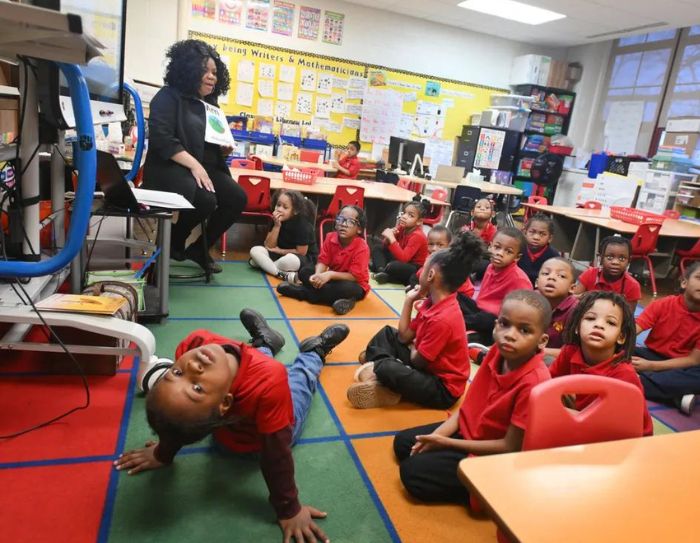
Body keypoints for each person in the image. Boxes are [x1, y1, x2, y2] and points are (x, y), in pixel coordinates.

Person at [115, 309, 350, 543]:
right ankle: (315, 351)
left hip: (253, 396)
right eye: (197, 388)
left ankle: (266, 341)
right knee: (300, 380)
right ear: (225, 402)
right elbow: (275, 453)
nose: (192, 367)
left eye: (176, 372)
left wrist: (162, 453)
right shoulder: (270, 380)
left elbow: (176, 413)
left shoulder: (195, 343)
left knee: (256, 358)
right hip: (257, 441)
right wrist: (289, 509)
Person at [393, 290, 552, 504]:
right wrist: (438, 436)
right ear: (496, 324)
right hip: (470, 432)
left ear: (542, 341)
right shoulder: (497, 352)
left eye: (524, 330)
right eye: (504, 324)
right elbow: (468, 408)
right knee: (403, 443)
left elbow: (509, 447)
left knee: (412, 474)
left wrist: (446, 443)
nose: (510, 335)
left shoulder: (534, 382)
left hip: (493, 457)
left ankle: (487, 490)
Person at [143, 39, 247, 273]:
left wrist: (222, 148)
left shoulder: (210, 103)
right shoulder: (168, 97)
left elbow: (205, 140)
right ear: (189, 70)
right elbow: (162, 139)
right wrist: (195, 166)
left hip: (203, 167)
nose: (213, 77)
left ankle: (197, 248)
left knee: (236, 198)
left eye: (214, 72)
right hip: (170, 166)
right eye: (206, 71)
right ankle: (175, 241)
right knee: (205, 199)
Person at [347, 233, 482, 409]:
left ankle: (381, 373)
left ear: (430, 275)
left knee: (388, 367)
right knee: (387, 334)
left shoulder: (444, 318)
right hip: (426, 364)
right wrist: (408, 301)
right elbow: (403, 337)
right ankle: (380, 374)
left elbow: (418, 360)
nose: (419, 271)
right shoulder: (431, 302)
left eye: (423, 268)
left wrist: (415, 345)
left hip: (442, 388)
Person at [549, 291, 653, 435]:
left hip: (621, 437)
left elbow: (619, 428)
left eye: (610, 322)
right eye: (591, 318)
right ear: (578, 327)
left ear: (621, 337)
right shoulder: (569, 352)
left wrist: (562, 411)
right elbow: (548, 386)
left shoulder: (624, 374)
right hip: (584, 422)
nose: (598, 325)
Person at [632, 262, 700, 415]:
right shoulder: (664, 304)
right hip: (650, 354)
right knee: (613, 348)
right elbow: (633, 330)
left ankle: (631, 379)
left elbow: (693, 360)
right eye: (699, 278)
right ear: (684, 282)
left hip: (683, 366)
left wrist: (650, 366)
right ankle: (675, 395)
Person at [277, 205, 370, 315]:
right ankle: (342, 300)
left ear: (359, 229)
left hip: (354, 284)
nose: (343, 224)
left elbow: (355, 276)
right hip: (332, 280)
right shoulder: (330, 237)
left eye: (350, 222)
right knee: (305, 272)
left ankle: (302, 292)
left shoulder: (362, 247)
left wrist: (329, 274)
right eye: (340, 219)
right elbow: (323, 261)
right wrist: (317, 275)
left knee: (346, 289)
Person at [460, 227, 532, 346]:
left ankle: (456, 322)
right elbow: (481, 300)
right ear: (490, 246)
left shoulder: (519, 279)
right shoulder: (490, 267)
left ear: (517, 257)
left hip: (497, 322)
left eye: (508, 251)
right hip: (479, 311)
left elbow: (521, 313)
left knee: (485, 320)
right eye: (497, 247)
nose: (500, 254)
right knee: (457, 297)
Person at [249, 190, 317, 282]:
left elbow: (301, 252)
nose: (279, 209)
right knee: (255, 250)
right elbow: (269, 246)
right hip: (279, 255)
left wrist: (280, 251)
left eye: (285, 207)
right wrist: (277, 226)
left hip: (301, 258)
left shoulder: (303, 225)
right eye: (278, 205)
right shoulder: (276, 219)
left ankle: (263, 265)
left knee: (289, 260)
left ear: (295, 211)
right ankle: (280, 274)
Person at [572, 236, 641, 312]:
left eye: (622, 259)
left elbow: (628, 317)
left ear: (629, 261)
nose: (615, 262)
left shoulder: (633, 286)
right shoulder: (589, 274)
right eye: (609, 257)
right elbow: (573, 302)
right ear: (600, 258)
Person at [408, 225, 477, 301]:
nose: (434, 249)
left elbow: (460, 290)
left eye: (440, 245)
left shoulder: (452, 263)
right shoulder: (431, 258)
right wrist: (419, 285)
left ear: (449, 246)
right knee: (414, 278)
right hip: (437, 288)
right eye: (431, 244)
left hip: (459, 296)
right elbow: (420, 274)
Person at [371, 199, 429, 286]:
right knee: (377, 248)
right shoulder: (402, 227)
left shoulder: (418, 236)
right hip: (401, 260)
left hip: (413, 267)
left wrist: (392, 239)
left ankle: (385, 273)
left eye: (410, 215)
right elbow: (385, 246)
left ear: (419, 221)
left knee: (393, 266)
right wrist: (388, 238)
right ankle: (381, 271)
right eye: (404, 213)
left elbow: (404, 258)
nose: (404, 217)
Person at [536, 257, 578, 361]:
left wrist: (534, 350)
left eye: (561, 276)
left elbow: (573, 353)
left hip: (559, 363)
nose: (552, 278)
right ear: (536, 282)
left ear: (572, 288)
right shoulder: (527, 301)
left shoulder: (575, 310)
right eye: (546, 274)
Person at [518, 213, 560, 286]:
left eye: (542, 234)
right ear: (525, 233)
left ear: (550, 238)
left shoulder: (554, 257)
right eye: (532, 232)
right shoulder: (517, 249)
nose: (536, 237)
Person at [460, 198, 495, 279]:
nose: (482, 209)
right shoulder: (466, 229)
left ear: (492, 214)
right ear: (472, 212)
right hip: (467, 257)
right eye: (479, 207)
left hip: (483, 259)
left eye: (487, 208)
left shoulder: (494, 232)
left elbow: (491, 254)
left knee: (486, 265)